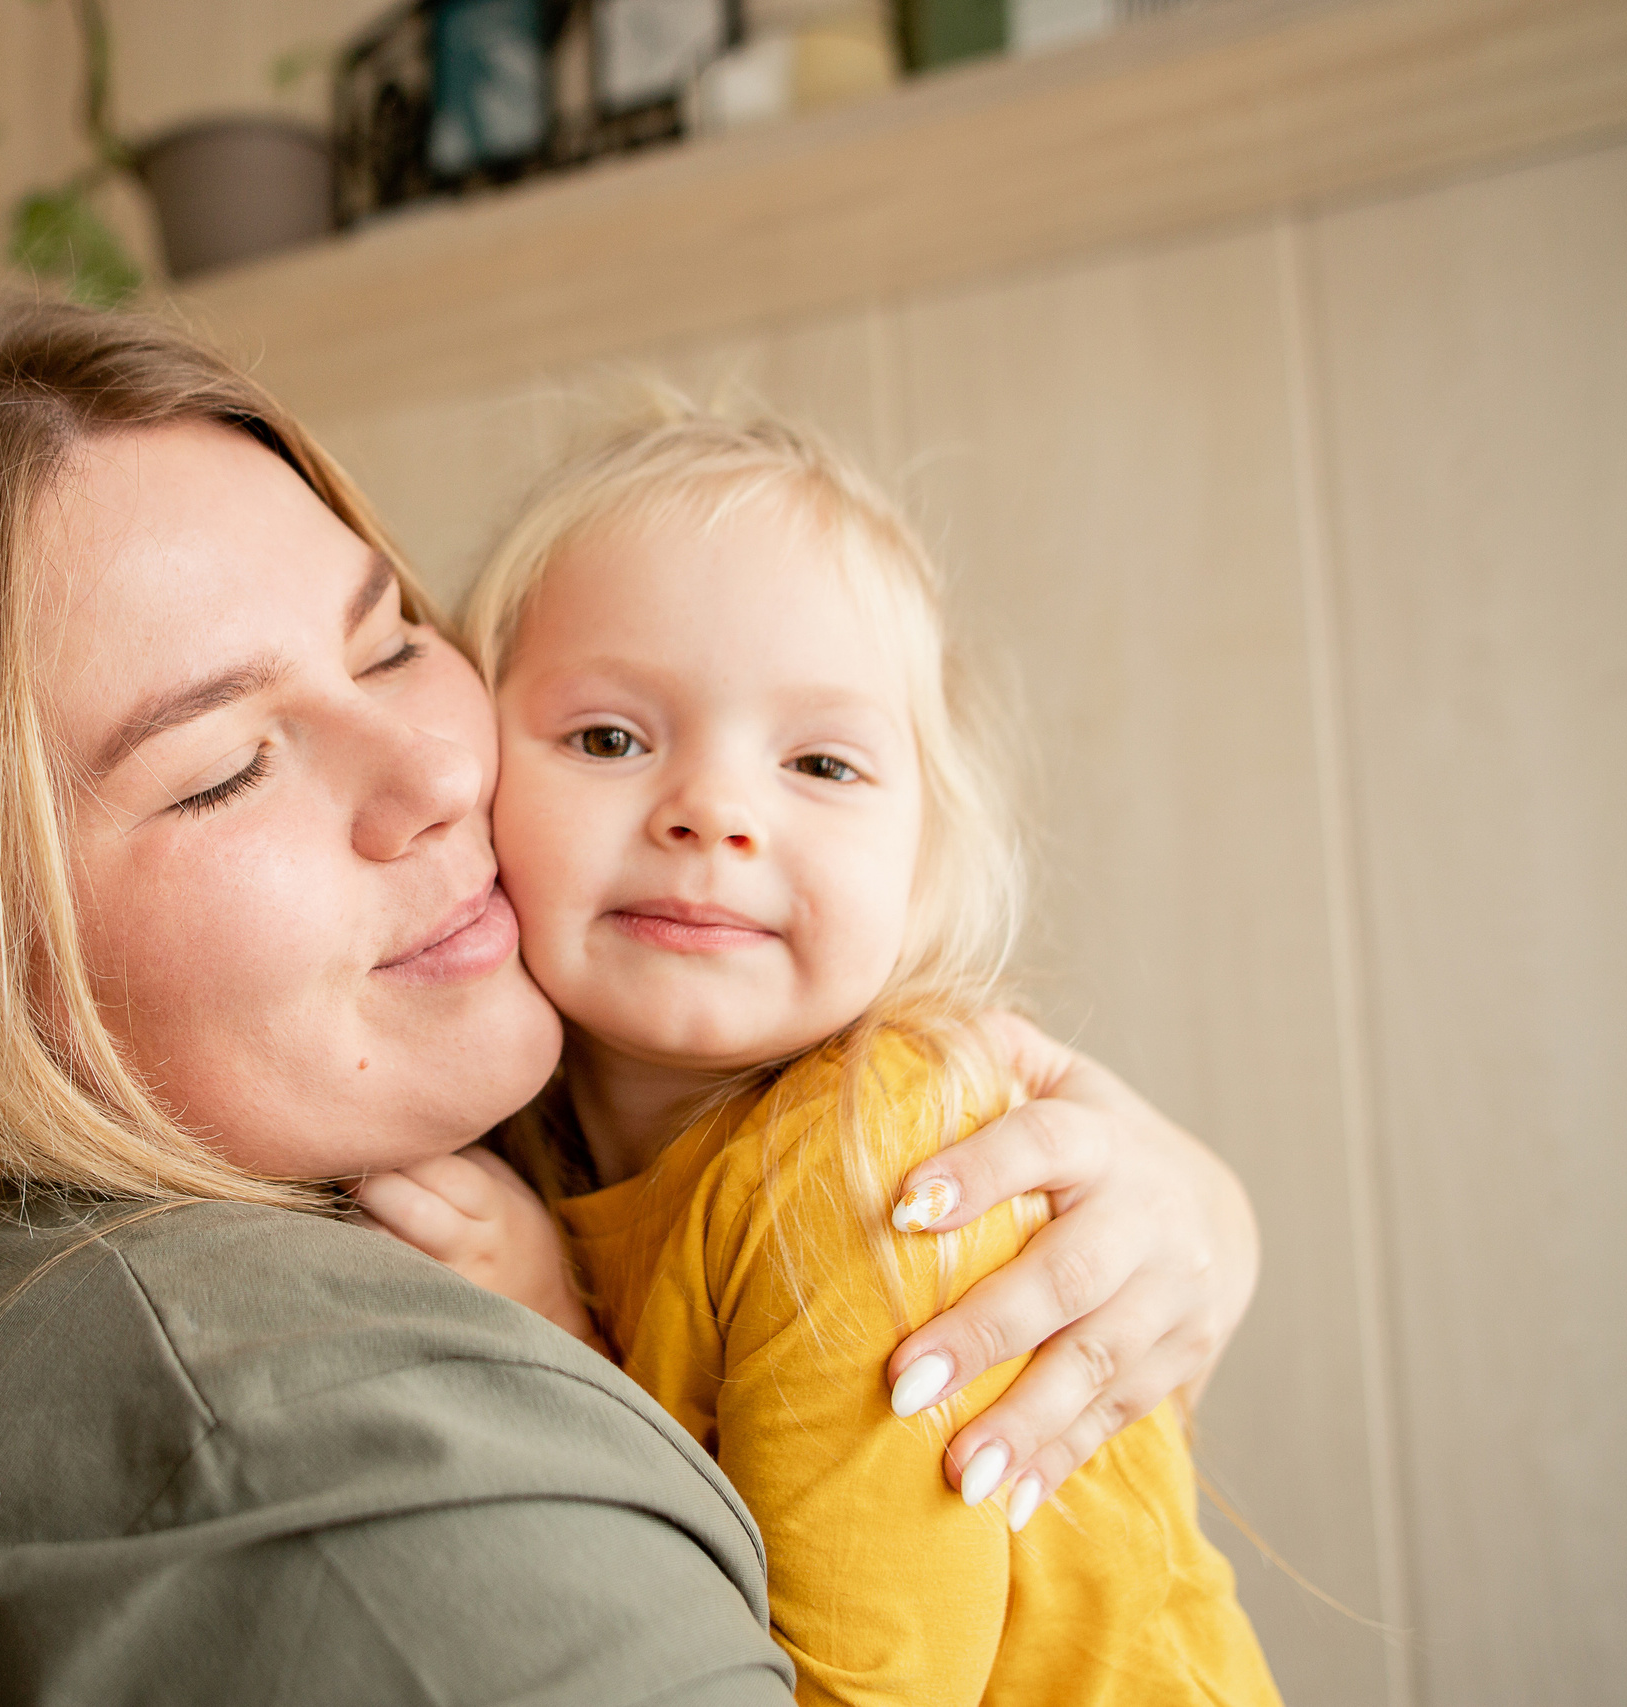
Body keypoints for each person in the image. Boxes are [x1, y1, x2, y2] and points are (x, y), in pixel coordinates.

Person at [0, 300, 1262, 1707]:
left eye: (393, 646)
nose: (445, 766)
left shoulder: (562, 1131)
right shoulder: (332, 1465)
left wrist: (1204, 1212)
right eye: (228, 767)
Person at [355, 407, 1280, 1705]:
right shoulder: (533, 1135)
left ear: (924, 858)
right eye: (612, 738)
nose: (715, 813)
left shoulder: (869, 1166)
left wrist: (554, 1352)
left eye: (822, 763)